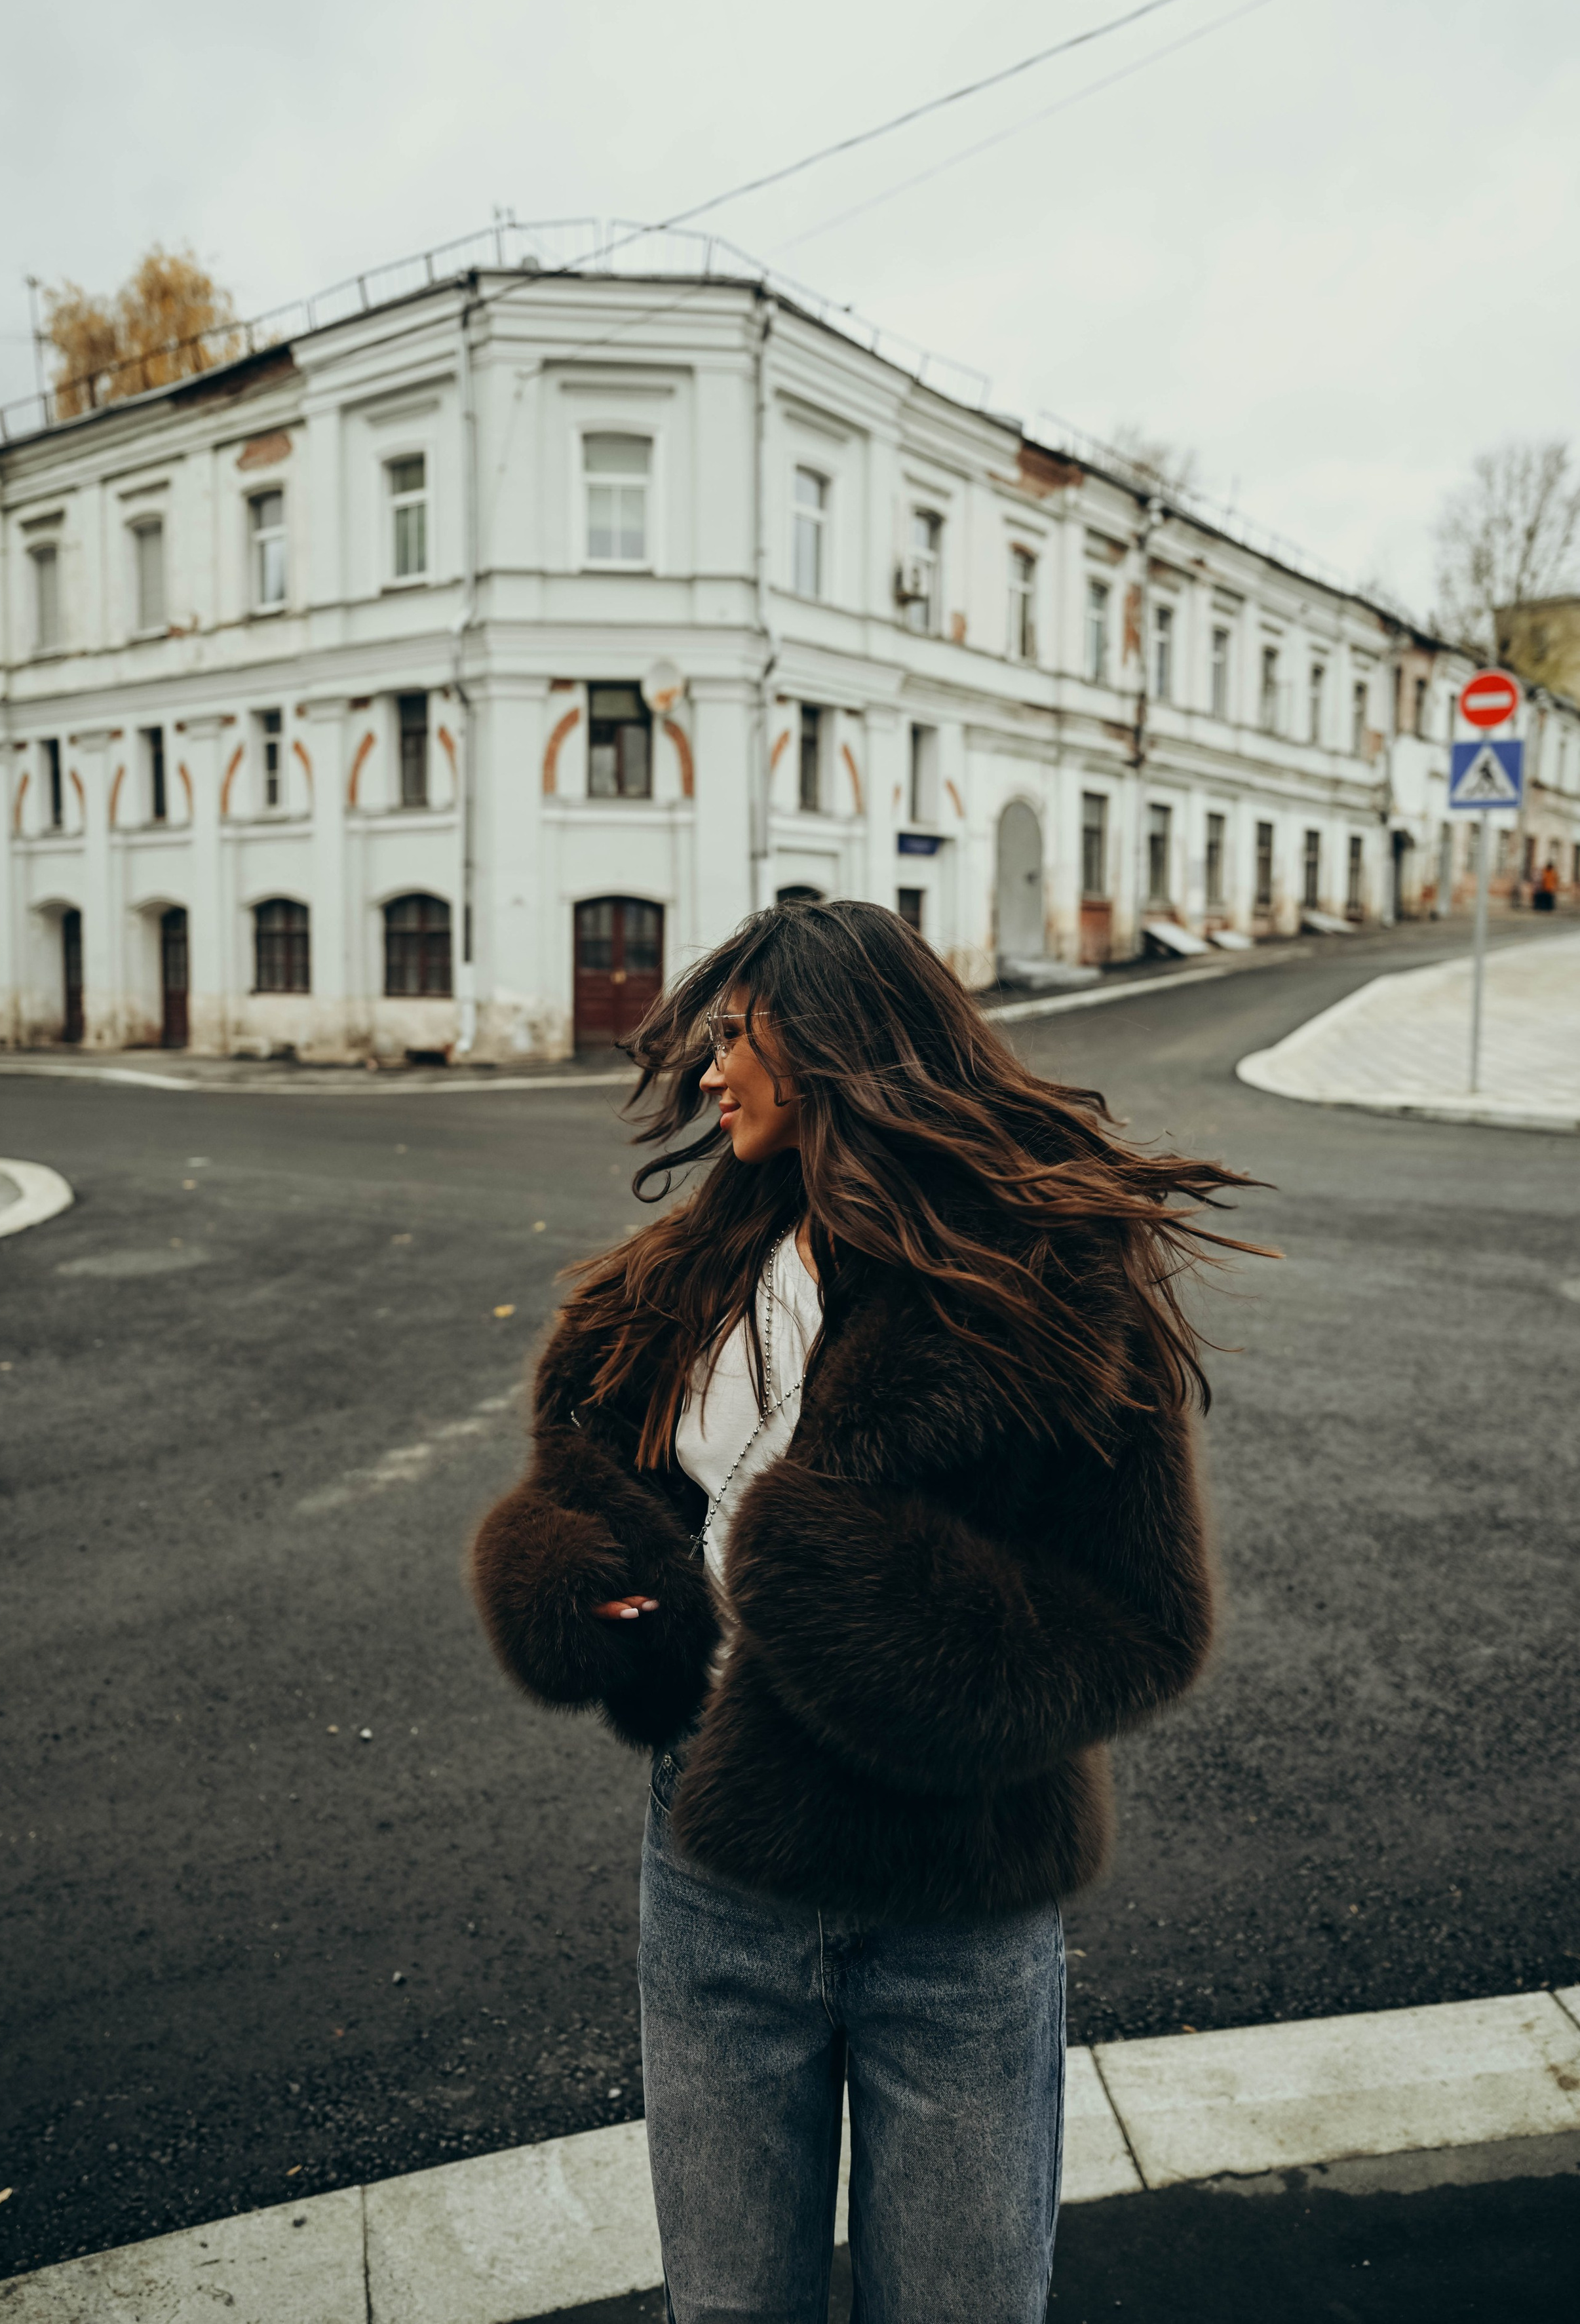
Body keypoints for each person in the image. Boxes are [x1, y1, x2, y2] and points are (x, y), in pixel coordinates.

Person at [471, 899, 1257, 2321]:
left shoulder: (1042, 1294)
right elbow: (578, 1490)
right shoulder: (674, 1291)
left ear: (834, 1045)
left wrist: (834, 1581)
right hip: (712, 1871)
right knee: (724, 2311)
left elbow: (1142, 1626)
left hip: (953, 1888)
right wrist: (577, 1581)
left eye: (733, 1037)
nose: (708, 1076)